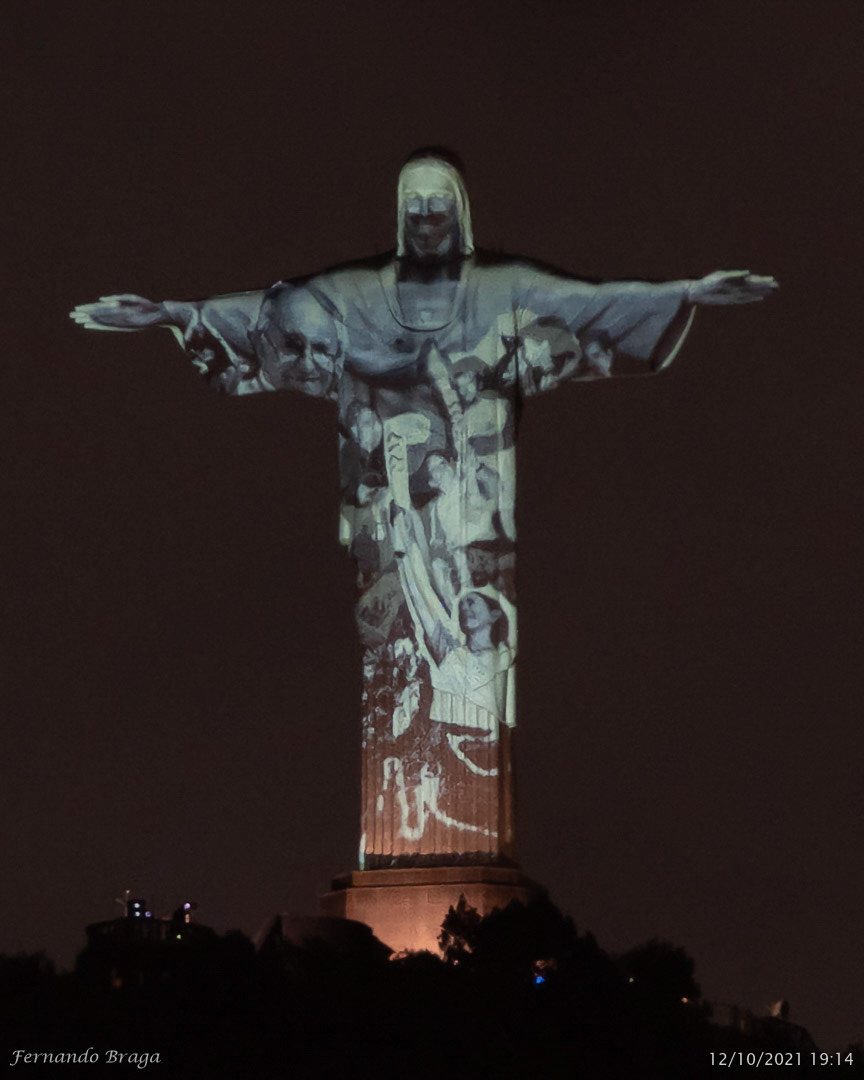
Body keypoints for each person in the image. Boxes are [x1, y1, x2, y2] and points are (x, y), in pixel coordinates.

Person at [71, 148, 777, 868]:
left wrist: (685, 293)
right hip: (387, 521)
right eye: (412, 199)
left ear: (461, 211)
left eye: (439, 199)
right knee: (398, 659)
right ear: (398, 212)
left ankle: (465, 842)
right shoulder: (352, 297)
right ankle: (402, 846)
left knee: (471, 658)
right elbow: (266, 316)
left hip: (476, 529)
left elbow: (591, 306)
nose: (425, 213)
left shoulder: (502, 290)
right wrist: (167, 313)